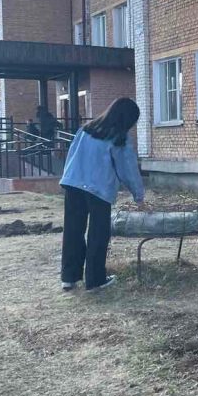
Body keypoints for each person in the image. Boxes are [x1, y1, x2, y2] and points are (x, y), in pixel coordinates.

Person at [59, 97, 145, 292]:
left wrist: (68, 178)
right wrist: (138, 196)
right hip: (98, 190)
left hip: (73, 184)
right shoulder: (119, 138)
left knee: (73, 231)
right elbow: (128, 169)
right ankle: (95, 280)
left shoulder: (86, 129)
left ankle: (69, 278)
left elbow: (72, 155)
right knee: (98, 234)